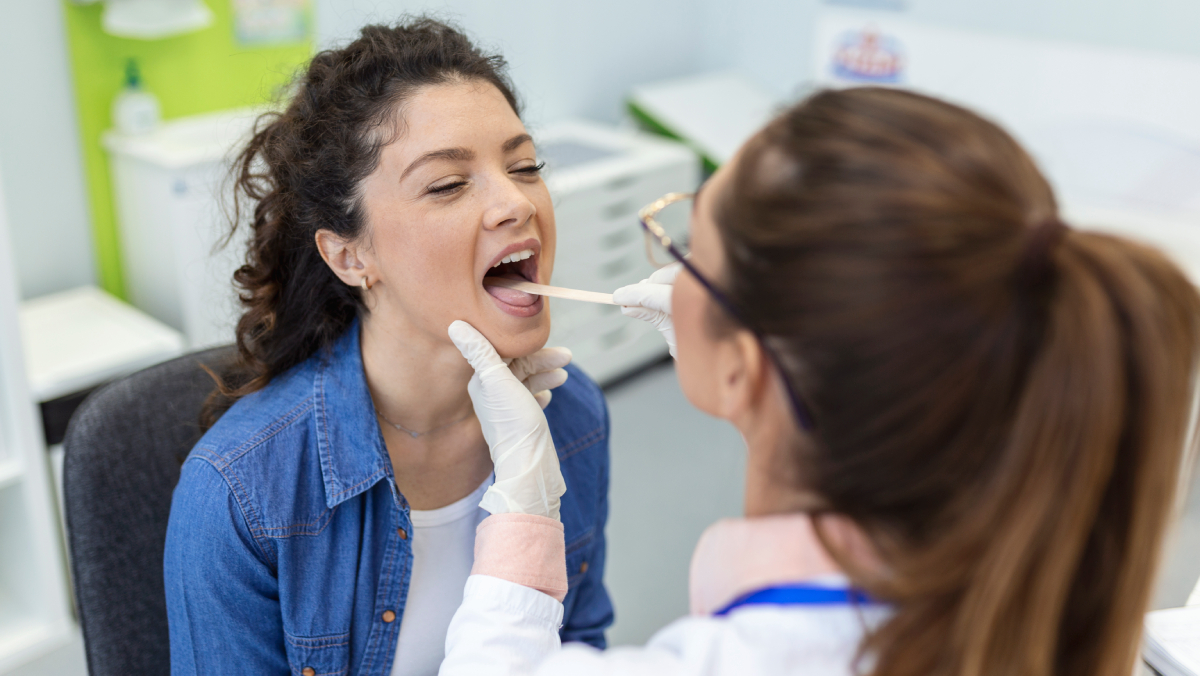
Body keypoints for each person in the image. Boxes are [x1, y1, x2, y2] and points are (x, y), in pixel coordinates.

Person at [438, 87, 1200, 676]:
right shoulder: (1035, 590)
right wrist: (760, 389)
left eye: (696, 248)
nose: (512, 203)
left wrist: (524, 511)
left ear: (749, 365)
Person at [163, 19, 613, 676]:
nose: (516, 201)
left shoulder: (571, 420)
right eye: (448, 184)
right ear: (350, 255)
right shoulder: (239, 496)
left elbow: (580, 647)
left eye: (524, 167)